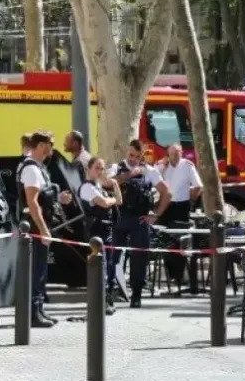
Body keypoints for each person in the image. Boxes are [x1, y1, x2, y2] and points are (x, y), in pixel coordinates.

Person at [17, 130, 72, 327]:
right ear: (41, 145)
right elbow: (32, 203)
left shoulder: (39, 168)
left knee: (41, 270)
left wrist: (59, 198)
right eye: (51, 143)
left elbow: (43, 196)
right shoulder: (31, 169)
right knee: (36, 270)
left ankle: (39, 309)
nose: (53, 148)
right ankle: (33, 313)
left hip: (42, 224)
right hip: (34, 226)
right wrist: (43, 230)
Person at [109, 140, 172, 307]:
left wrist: (156, 215)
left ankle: (136, 295)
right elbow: (108, 183)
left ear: (142, 156)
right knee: (111, 256)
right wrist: (130, 174)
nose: (133, 159)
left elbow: (167, 192)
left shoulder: (150, 171)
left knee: (139, 258)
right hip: (119, 218)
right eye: (131, 155)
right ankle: (109, 292)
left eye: (137, 157)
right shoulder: (116, 167)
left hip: (139, 219)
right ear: (126, 152)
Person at [156, 143, 202, 287]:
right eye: (172, 154)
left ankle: (179, 275)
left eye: (178, 153)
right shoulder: (161, 166)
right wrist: (161, 167)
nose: (175, 156)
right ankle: (171, 274)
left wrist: (191, 198)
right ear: (167, 154)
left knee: (180, 240)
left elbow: (198, 186)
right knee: (165, 239)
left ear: (182, 153)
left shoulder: (187, 166)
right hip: (165, 206)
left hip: (181, 206)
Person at [78, 157, 120, 315]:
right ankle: (99, 301)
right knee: (99, 268)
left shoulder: (99, 186)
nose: (100, 172)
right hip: (95, 233)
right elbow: (103, 203)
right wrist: (113, 199)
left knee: (109, 267)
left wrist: (115, 184)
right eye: (97, 168)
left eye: (102, 168)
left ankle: (108, 299)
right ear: (88, 169)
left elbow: (119, 201)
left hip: (107, 230)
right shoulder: (87, 188)